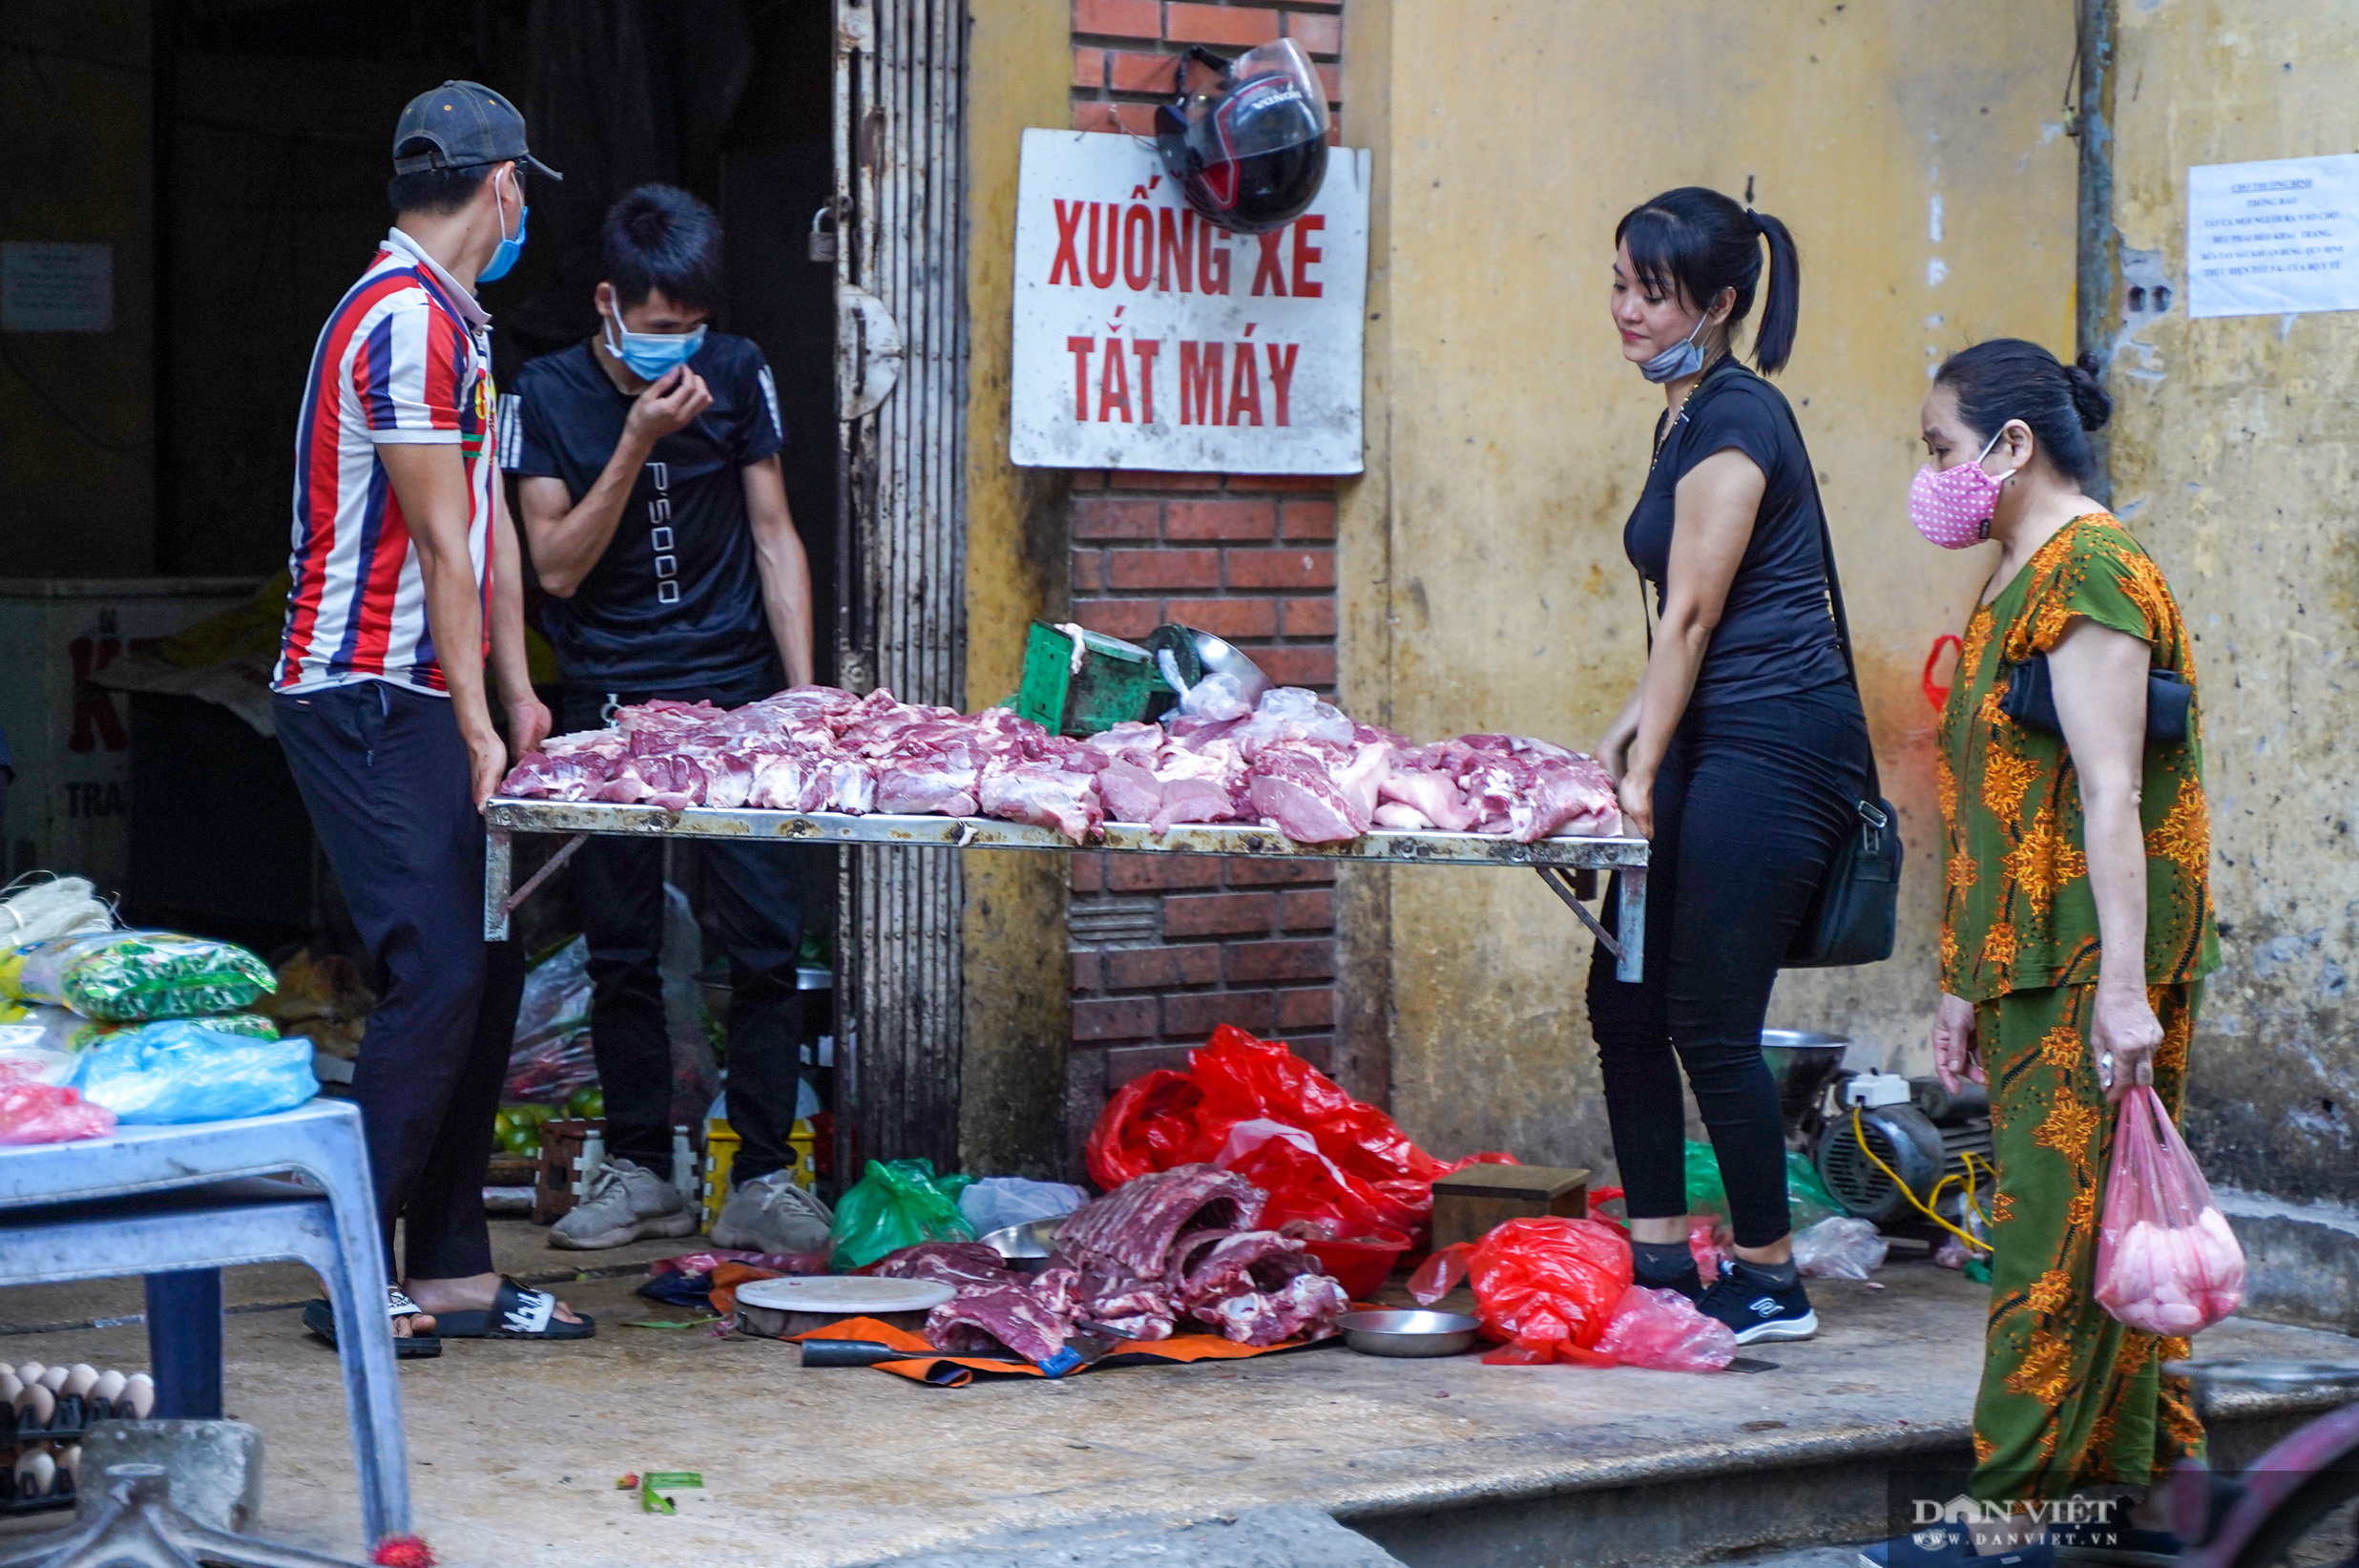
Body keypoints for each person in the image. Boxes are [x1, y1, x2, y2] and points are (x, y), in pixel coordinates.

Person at [1860, 341, 2218, 1568]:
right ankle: (2159, 1489)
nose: (1930, 474)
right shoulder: (2019, 573)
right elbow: (2005, 788)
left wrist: (2125, 993)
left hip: (2085, 959)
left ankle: (2011, 1508)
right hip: (2024, 954)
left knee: (2047, 1239)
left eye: (1941, 447)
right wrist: (1961, 974)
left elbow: (2113, 794)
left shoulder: (2093, 573)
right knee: (2097, 1225)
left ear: (2013, 447)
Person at [273, 81, 588, 1348]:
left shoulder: (460, 321)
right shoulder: (401, 321)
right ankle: (345, 1270)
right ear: (502, 185)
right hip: (361, 695)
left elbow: (492, 527)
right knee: (437, 970)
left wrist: (518, 692)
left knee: (492, 968)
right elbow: (443, 551)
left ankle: (452, 1268)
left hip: (426, 691)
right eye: (523, 194)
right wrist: (471, 716)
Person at [504, 184, 828, 1255]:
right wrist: (639, 438)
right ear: (606, 302)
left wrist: (801, 698)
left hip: (737, 691)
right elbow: (551, 565)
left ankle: (767, 1177)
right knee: (624, 948)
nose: (676, 351)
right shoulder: (544, 394)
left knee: (767, 945)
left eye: (689, 328)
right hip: (608, 701)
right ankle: (641, 1167)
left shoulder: (735, 372)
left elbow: (775, 533)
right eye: (654, 331)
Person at [1585, 187, 1875, 1345]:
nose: (1624, 310)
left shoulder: (1740, 416)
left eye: (1650, 293)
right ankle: (1661, 1257)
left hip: (1776, 740)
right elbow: (1688, 629)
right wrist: (1633, 728)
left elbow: (1697, 613)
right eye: (1618, 283)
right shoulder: (1684, 414)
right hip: (1713, 728)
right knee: (1623, 1001)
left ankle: (1768, 1275)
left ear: (1719, 302)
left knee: (1708, 1015)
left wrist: (1643, 776)